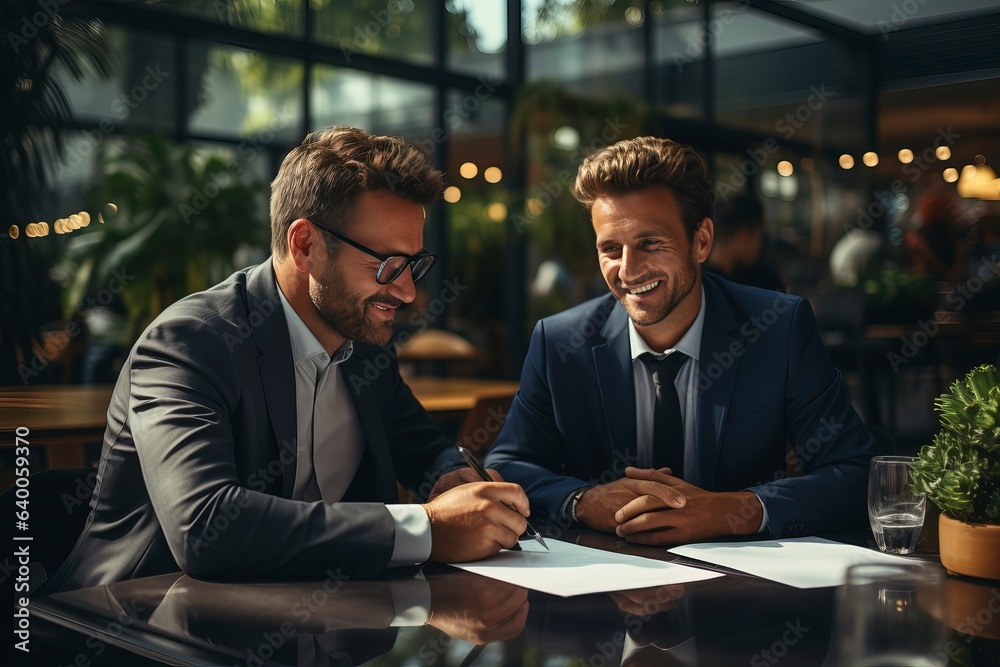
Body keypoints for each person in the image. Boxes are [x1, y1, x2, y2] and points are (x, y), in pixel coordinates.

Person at [48, 126, 529, 592]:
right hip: (143, 620)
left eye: (415, 264)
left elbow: (424, 446)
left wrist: (454, 477)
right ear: (306, 246)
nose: (406, 291)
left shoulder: (362, 344)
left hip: (318, 621)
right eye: (387, 266)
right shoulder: (190, 341)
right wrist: (425, 528)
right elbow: (206, 526)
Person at [486, 136, 874, 545]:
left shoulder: (778, 328)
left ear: (702, 240)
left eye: (650, 243)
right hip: (603, 584)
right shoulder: (560, 342)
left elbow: (855, 473)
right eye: (611, 249)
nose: (628, 270)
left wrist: (732, 511)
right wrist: (583, 500)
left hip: (743, 593)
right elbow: (509, 465)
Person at [705, 194, 785, 292]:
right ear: (744, 235)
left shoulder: (698, 282)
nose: (759, 246)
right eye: (759, 236)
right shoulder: (764, 284)